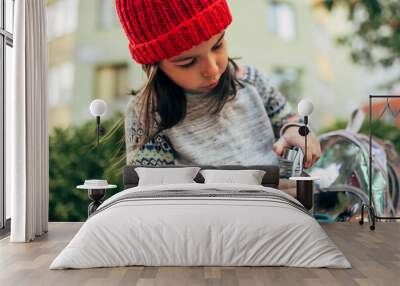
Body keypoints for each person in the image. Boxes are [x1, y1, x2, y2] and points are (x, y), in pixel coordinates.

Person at [115, 0, 321, 169]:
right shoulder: (147, 114)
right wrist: (263, 189)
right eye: (187, 62)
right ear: (154, 66)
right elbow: (155, 194)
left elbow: (289, 120)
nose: (212, 69)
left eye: (218, 45)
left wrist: (297, 130)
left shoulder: (253, 81)